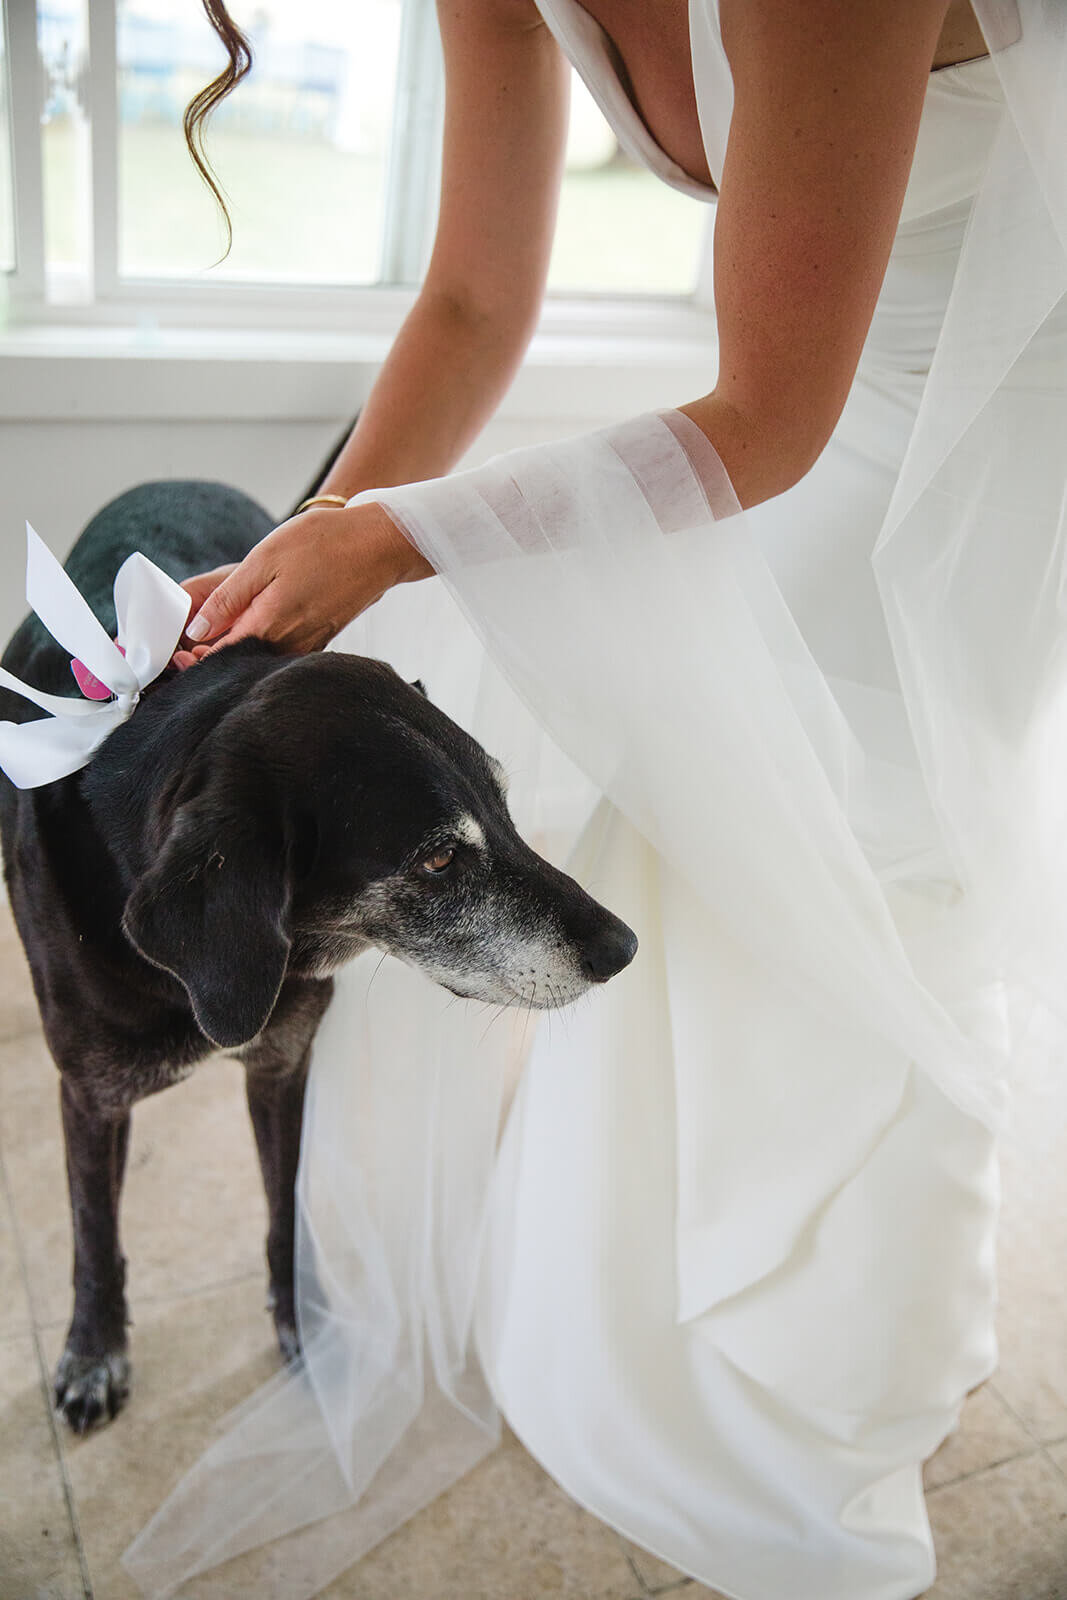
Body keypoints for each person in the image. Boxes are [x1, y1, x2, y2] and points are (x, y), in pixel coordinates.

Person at [123, 4, 1067, 1599]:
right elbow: (477, 299)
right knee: (698, 842)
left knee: (872, 882)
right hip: (799, 426)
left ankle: (835, 1384)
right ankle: (640, 1345)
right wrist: (317, 537)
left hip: (990, 413)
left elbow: (766, 414)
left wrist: (403, 540)